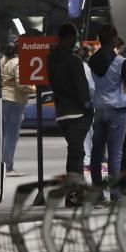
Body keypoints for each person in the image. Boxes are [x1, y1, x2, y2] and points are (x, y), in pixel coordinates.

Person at [88, 25, 126, 202]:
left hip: (99, 109)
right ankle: (115, 195)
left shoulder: (92, 60)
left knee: (97, 153)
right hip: (117, 109)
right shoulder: (120, 61)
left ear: (99, 39)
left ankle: (97, 192)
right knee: (115, 154)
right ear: (114, 39)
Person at [47, 23, 93, 186]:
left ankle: (75, 190)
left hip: (61, 113)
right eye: (74, 37)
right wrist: (89, 108)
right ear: (69, 37)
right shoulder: (74, 61)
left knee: (75, 151)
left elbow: (53, 84)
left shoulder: (51, 59)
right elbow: (82, 88)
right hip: (77, 113)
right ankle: (74, 191)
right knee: (76, 154)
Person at [0, 42, 33, 177]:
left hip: (4, 99)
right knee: (12, 136)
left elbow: (3, 80)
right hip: (16, 101)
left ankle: (2, 165)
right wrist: (32, 89)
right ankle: (9, 167)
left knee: (4, 134)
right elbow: (22, 84)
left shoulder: (2, 61)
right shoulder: (18, 62)